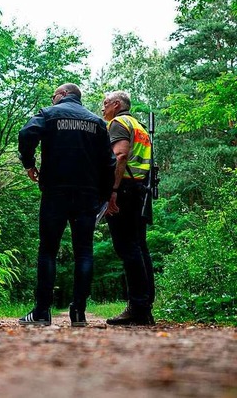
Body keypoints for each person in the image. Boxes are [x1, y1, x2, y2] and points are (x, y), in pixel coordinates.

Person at [18, 83, 116, 327]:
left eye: (54, 96)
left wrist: (29, 164)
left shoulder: (49, 114)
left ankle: (42, 312)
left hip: (55, 191)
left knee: (48, 250)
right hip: (87, 195)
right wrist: (103, 196)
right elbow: (109, 162)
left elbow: (26, 134)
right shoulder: (97, 123)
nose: (52, 100)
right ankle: (79, 313)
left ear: (62, 95)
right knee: (84, 251)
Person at [102, 91, 155, 325]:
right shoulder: (139, 126)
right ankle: (144, 305)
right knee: (139, 247)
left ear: (116, 104)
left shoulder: (118, 123)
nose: (102, 108)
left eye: (105, 104)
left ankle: (138, 308)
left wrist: (112, 191)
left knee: (127, 247)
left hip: (124, 189)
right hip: (139, 190)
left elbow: (120, 155)